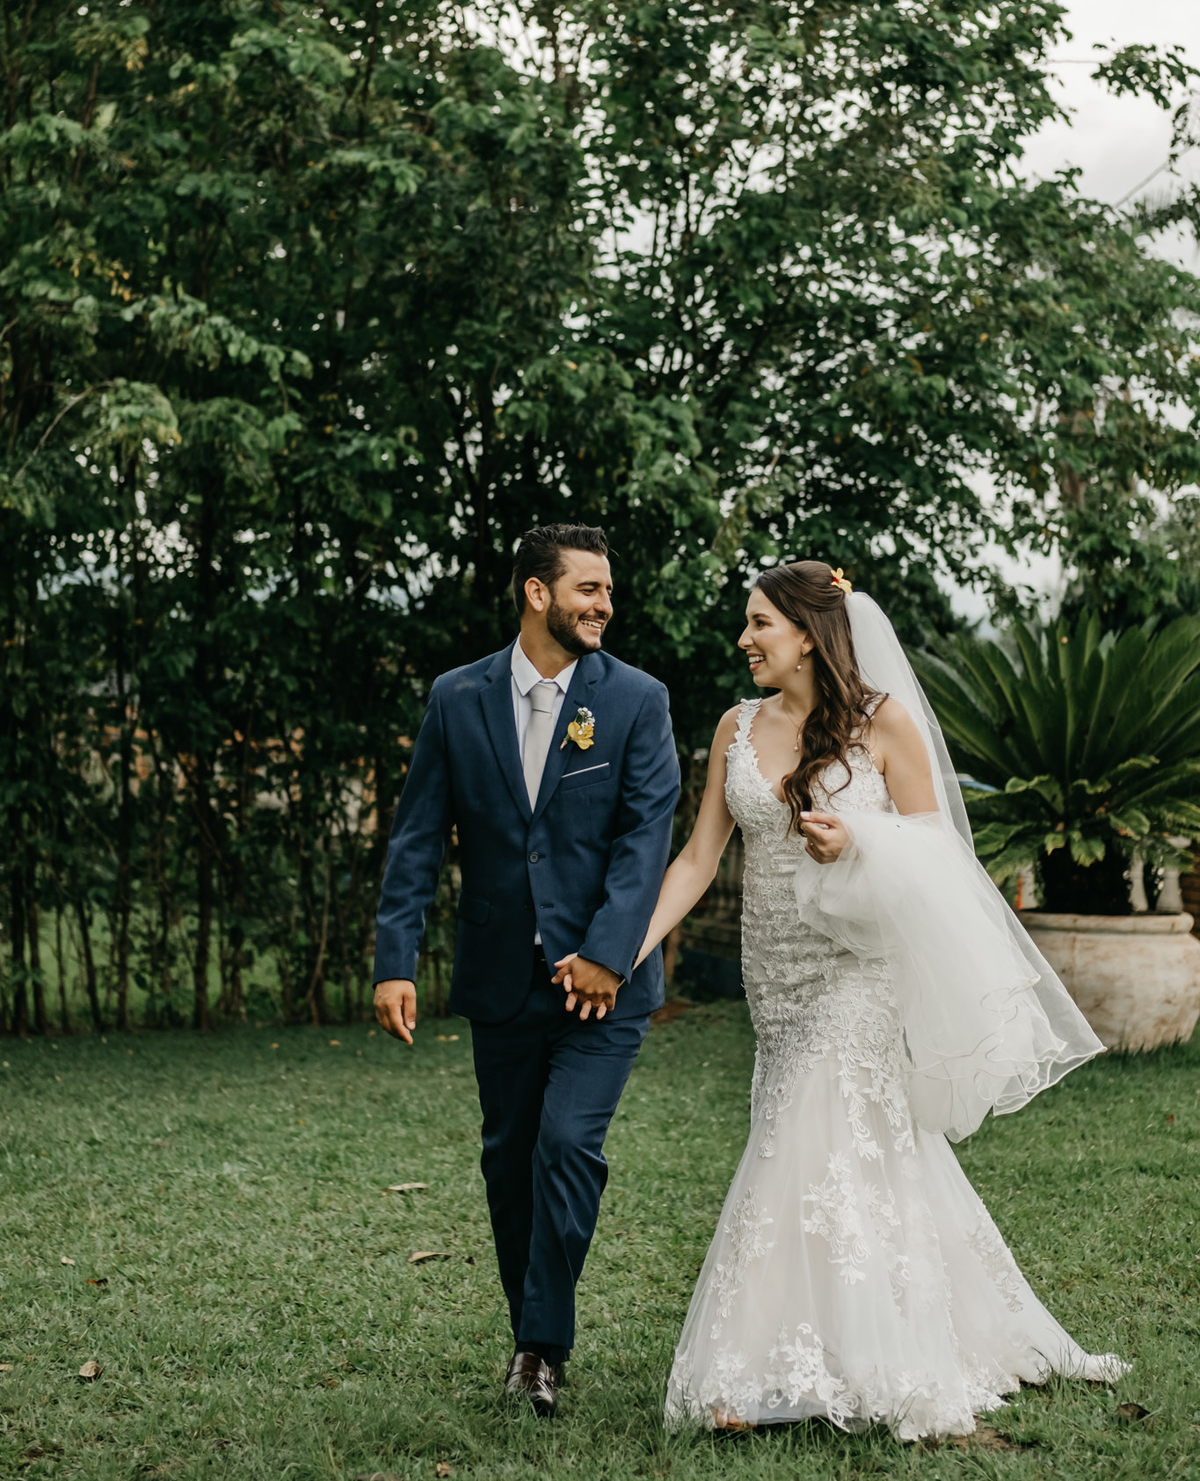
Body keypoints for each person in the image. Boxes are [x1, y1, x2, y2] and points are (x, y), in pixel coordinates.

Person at [611, 559, 1123, 1442]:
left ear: (809, 634)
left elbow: (942, 860)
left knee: (800, 1142)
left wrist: (859, 841)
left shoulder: (883, 725)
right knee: (853, 1152)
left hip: (860, 974)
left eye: (760, 623)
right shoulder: (735, 726)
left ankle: (748, 1372)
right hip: (775, 980)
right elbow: (696, 860)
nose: (745, 639)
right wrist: (624, 950)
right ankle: (854, 1337)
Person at [373, 523, 680, 1418]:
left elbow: (643, 838)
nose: (605, 606)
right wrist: (397, 959)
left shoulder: (637, 700)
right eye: (589, 588)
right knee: (509, 1163)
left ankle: (540, 1349)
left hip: (607, 988)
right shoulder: (456, 697)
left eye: (609, 591)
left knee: (566, 1146)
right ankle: (531, 1335)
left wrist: (607, 954)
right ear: (537, 593)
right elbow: (419, 834)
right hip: (502, 975)